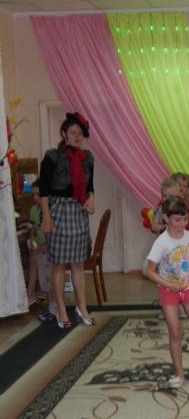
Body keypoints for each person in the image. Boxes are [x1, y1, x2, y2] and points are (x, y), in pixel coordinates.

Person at [39, 112, 95, 329]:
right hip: (59, 211)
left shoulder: (87, 157)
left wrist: (91, 199)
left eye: (80, 133)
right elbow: (44, 190)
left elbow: (90, 187)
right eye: (73, 132)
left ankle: (82, 308)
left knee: (78, 264)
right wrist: (46, 216)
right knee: (59, 264)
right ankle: (61, 309)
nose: (77, 136)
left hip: (78, 213)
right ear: (64, 134)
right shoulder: (52, 156)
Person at [145, 196, 189, 388]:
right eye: (177, 220)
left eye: (185, 219)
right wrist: (168, 285)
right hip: (168, 291)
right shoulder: (162, 242)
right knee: (175, 332)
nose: (182, 224)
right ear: (166, 218)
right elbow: (149, 271)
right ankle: (179, 373)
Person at [29, 180, 57, 322]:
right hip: (40, 250)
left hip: (51, 251)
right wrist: (32, 238)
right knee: (45, 282)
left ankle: (54, 309)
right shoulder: (34, 210)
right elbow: (34, 228)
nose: (35, 197)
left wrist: (45, 246)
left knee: (52, 280)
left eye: (38, 194)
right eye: (33, 194)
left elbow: (53, 233)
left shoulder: (52, 210)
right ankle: (51, 307)